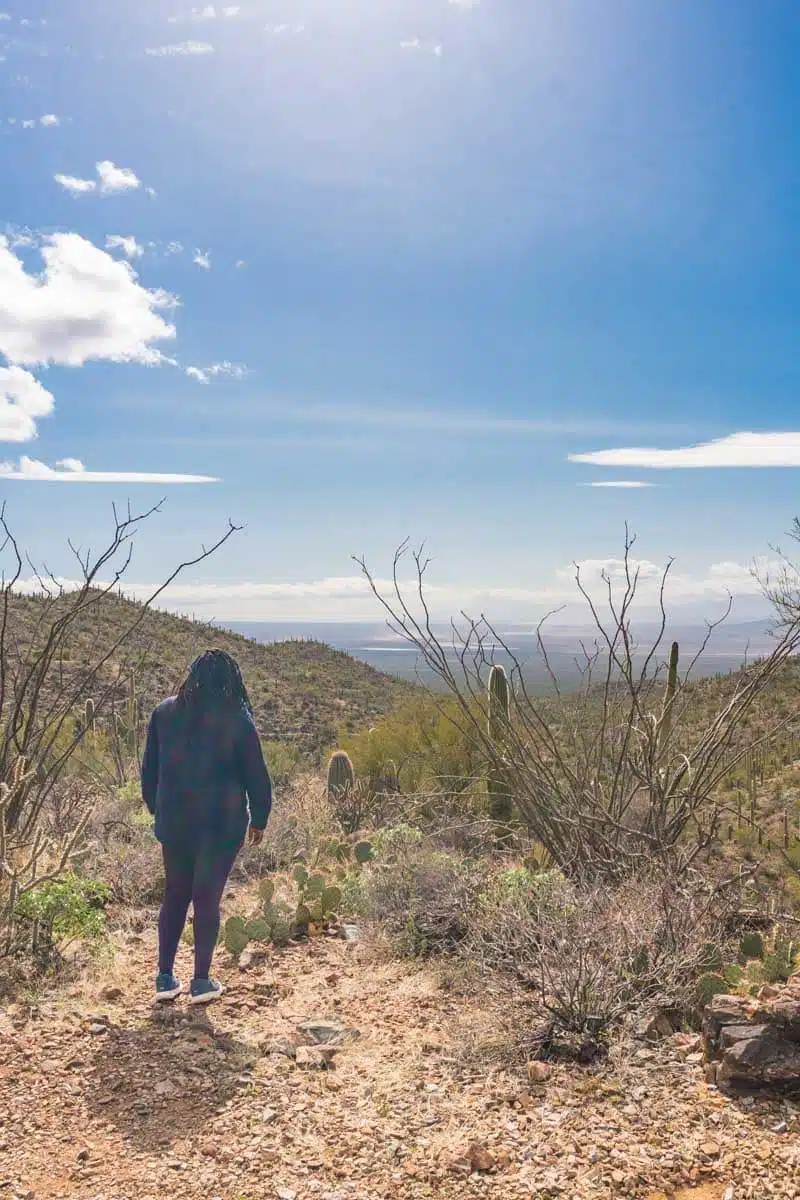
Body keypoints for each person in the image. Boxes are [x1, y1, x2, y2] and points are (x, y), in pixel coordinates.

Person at [141, 649, 272, 1005]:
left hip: (174, 823)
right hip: (220, 826)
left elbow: (149, 771)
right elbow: (256, 775)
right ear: (231, 680)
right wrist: (259, 817)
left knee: (175, 894)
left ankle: (164, 977)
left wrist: (157, 809)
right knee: (206, 898)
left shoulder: (164, 713)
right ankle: (201, 981)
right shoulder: (238, 720)